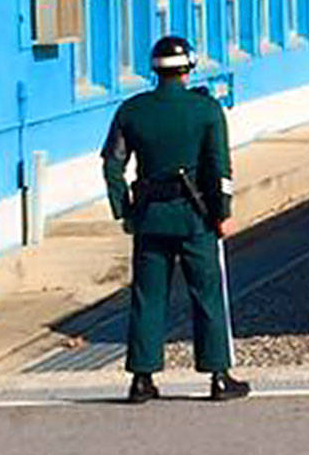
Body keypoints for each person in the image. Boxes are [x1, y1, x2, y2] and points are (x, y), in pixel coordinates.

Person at [101, 36, 250, 404]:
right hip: (194, 218)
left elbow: (112, 164)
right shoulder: (206, 110)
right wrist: (222, 212)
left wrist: (124, 209)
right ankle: (217, 375)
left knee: (147, 298)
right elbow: (219, 169)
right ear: (188, 68)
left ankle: (141, 377)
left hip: (150, 218)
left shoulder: (132, 110)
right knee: (208, 296)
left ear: (154, 69)